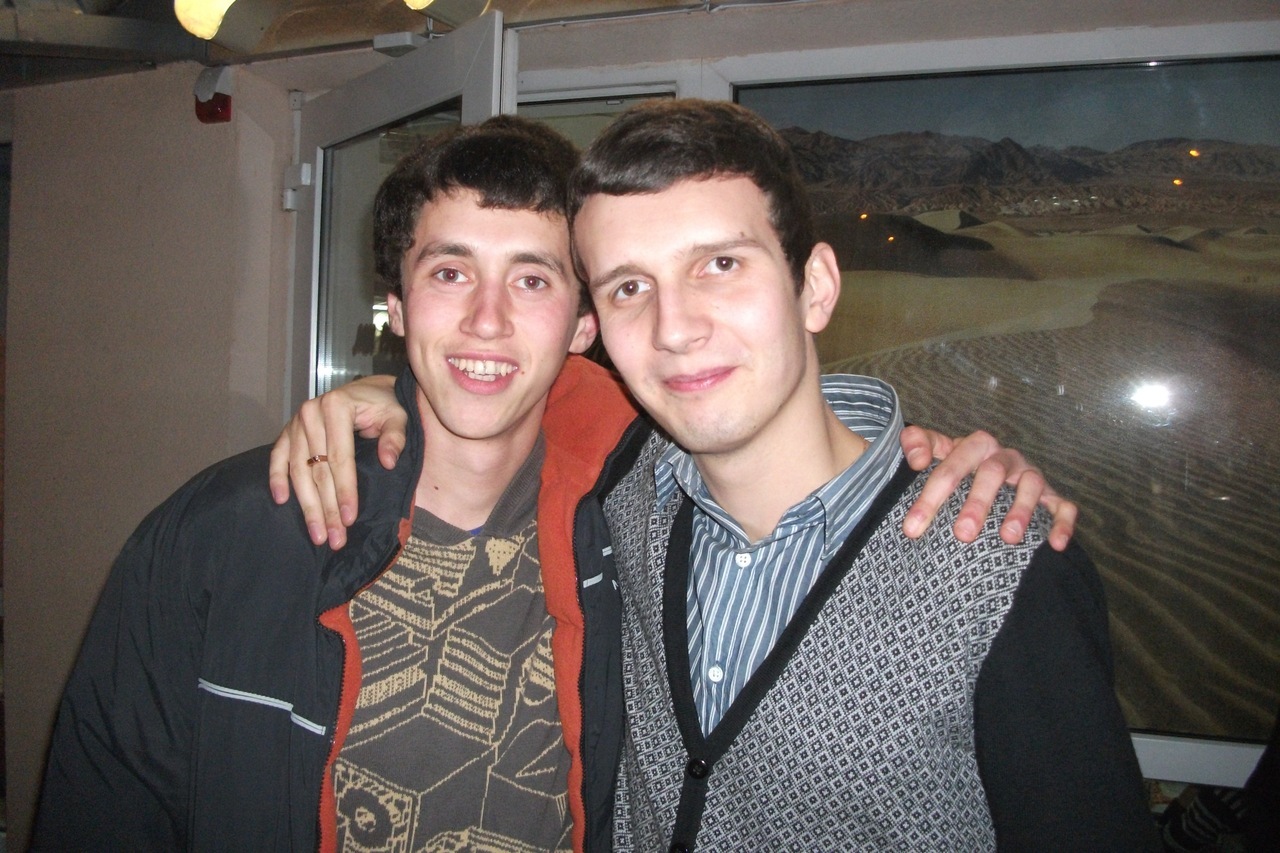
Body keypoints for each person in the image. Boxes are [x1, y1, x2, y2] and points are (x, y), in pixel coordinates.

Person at [32, 115, 1062, 853]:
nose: (485, 320)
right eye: (449, 274)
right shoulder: (226, 538)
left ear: (581, 327)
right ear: (396, 309)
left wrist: (919, 456)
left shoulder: (621, 511)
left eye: (531, 278)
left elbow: (752, 412)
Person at [280, 101, 1155, 851]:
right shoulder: (623, 495)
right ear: (598, 330)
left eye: (721, 265)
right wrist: (379, 393)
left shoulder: (998, 564)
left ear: (814, 286)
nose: (675, 327)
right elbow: (495, 378)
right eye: (629, 287)